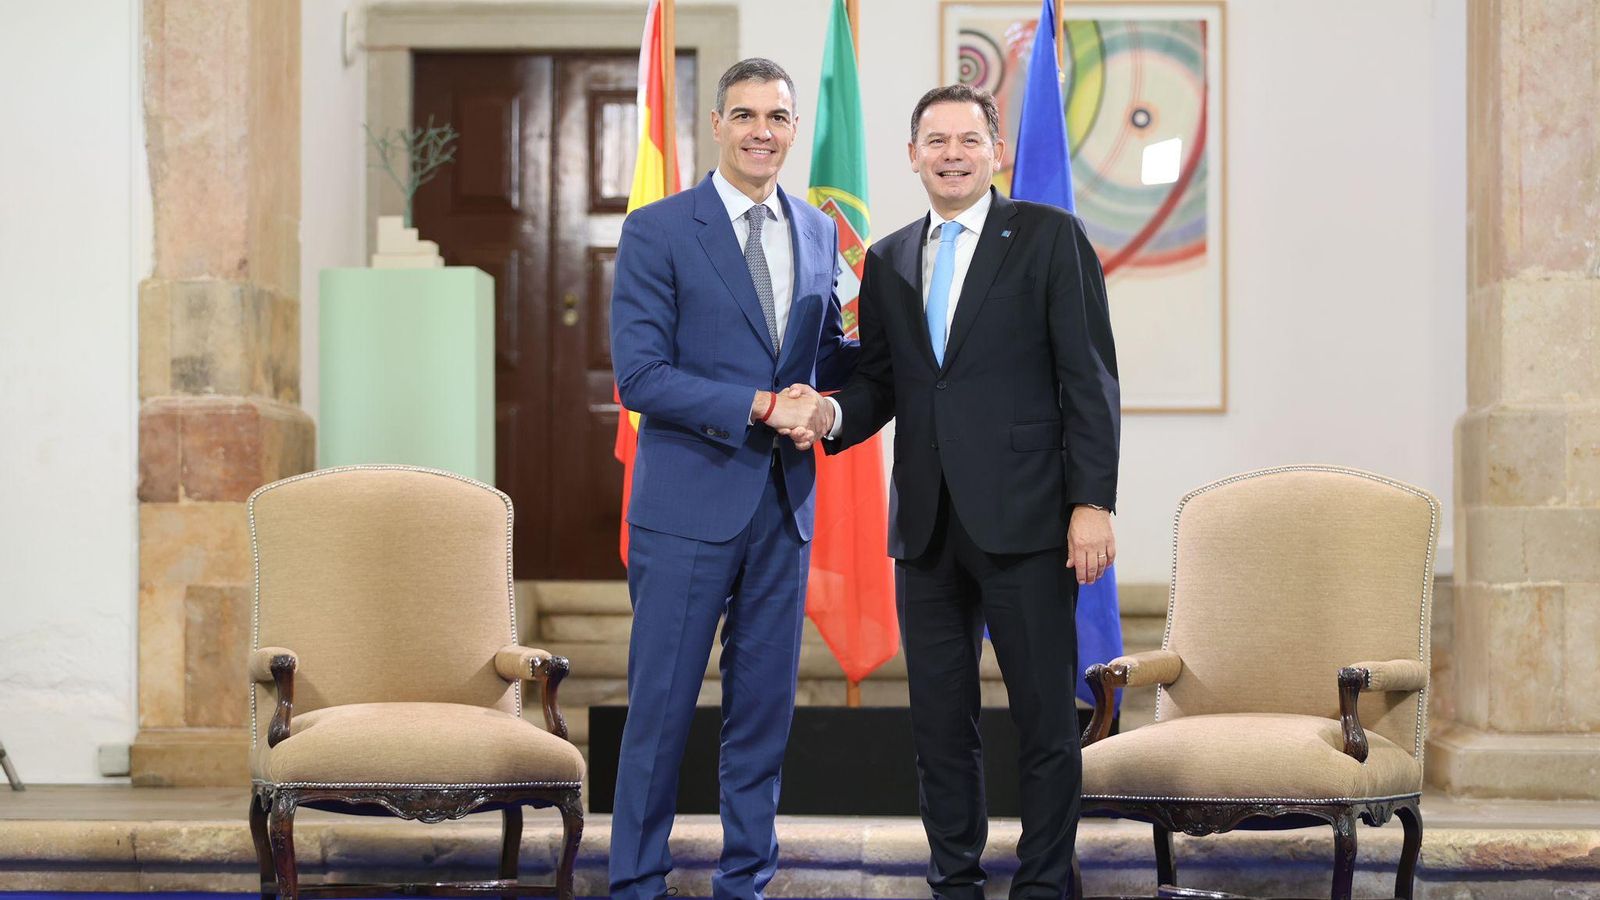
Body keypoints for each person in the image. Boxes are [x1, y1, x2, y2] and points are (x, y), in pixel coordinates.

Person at [824, 83, 1120, 900]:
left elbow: (1088, 379)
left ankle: (1044, 885)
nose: (952, 153)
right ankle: (953, 882)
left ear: (998, 151)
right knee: (939, 729)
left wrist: (1092, 502)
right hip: (925, 527)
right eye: (935, 140)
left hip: (1030, 519)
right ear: (912, 155)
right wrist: (826, 415)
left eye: (968, 139)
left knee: (1044, 724)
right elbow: (880, 385)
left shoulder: (1051, 238)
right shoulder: (886, 259)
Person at [607, 57, 854, 900]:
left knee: (761, 720)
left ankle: (745, 881)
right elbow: (639, 376)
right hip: (685, 509)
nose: (761, 131)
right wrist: (756, 404)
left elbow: (827, 360)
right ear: (715, 124)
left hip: (783, 508)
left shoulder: (820, 234)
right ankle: (636, 882)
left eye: (777, 118)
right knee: (661, 714)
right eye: (744, 115)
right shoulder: (659, 228)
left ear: (792, 129)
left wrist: (829, 407)